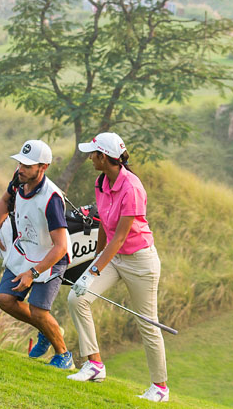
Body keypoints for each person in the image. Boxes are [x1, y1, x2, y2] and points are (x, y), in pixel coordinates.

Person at [66, 132, 170, 403]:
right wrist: (93, 265)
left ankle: (160, 387)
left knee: (147, 323)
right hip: (114, 257)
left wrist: (95, 269)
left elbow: (121, 237)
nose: (90, 158)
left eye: (94, 154)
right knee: (77, 298)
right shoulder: (101, 182)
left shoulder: (132, 187)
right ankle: (95, 365)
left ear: (104, 157)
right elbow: (104, 225)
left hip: (140, 262)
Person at [0, 139, 74, 369]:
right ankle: (45, 329)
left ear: (43, 167)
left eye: (27, 165)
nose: (20, 169)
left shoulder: (52, 199)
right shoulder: (18, 180)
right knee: (4, 299)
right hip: (25, 250)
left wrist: (33, 273)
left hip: (50, 258)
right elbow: (4, 202)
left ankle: (64, 355)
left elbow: (61, 247)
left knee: (38, 310)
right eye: (19, 163)